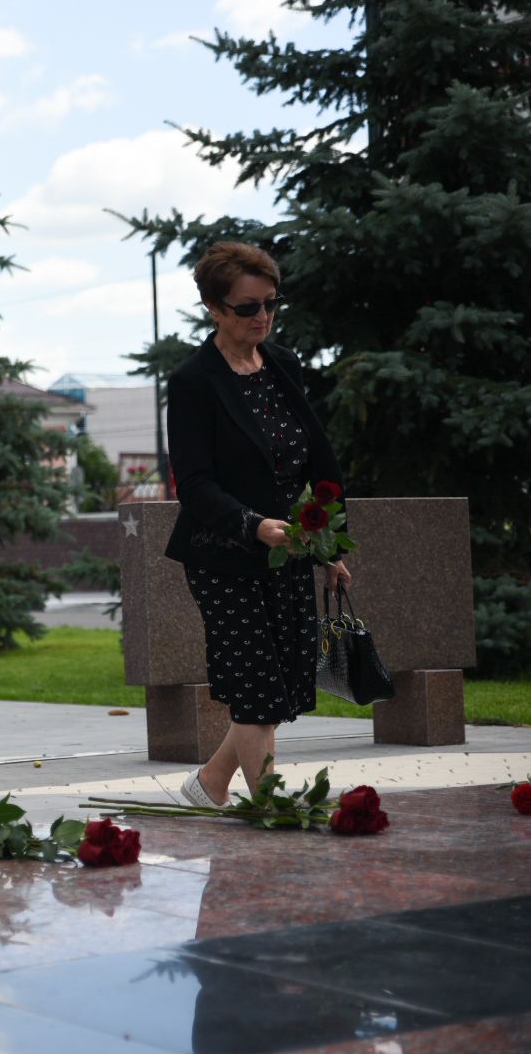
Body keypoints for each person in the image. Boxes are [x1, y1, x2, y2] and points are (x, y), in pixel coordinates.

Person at [166, 241, 351, 807]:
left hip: (287, 551)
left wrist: (326, 543)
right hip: (223, 555)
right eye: (247, 307)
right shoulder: (194, 382)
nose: (262, 317)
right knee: (256, 690)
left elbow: (318, 461)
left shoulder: (283, 365)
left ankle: (209, 785)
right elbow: (194, 486)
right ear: (214, 309)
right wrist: (253, 526)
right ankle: (269, 805)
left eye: (270, 303)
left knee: (279, 687)